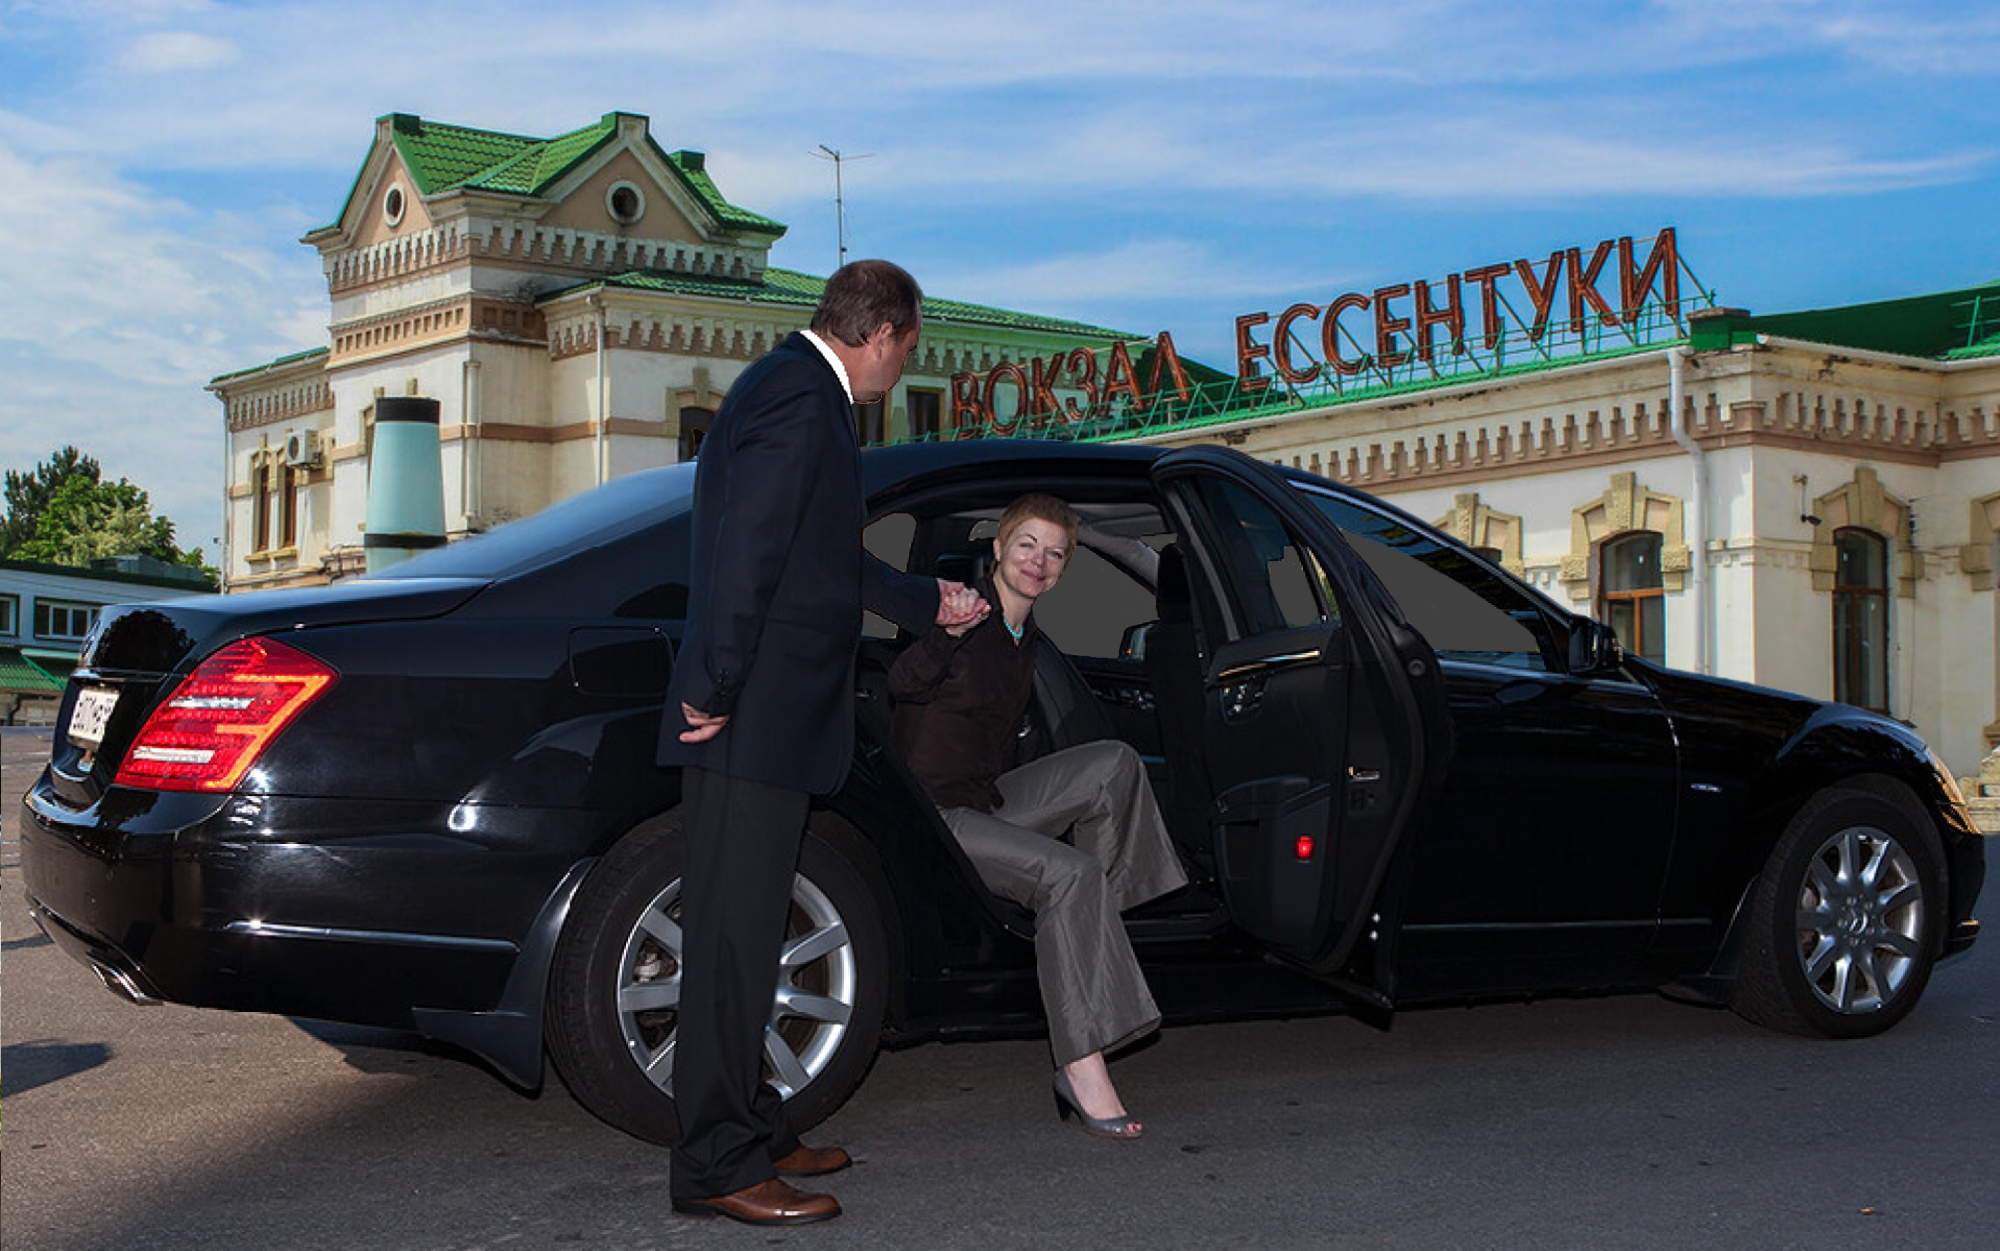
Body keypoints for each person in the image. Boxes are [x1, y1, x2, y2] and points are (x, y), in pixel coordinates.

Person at [660, 259, 983, 1226]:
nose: (900, 371)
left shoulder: (788, 389)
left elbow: (821, 557)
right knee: (728, 943)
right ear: (882, 334)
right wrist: (716, 688)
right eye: (907, 351)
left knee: (753, 935)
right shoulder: (804, 401)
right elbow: (748, 555)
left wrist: (930, 601)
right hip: (750, 716)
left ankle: (752, 1124)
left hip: (762, 715)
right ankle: (716, 1163)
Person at [890, 493, 1187, 1138]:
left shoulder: (1026, 634)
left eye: (1054, 553)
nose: (1038, 560)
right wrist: (945, 631)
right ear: (998, 549)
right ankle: (1082, 1064)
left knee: (1113, 762)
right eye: (1026, 545)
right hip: (934, 815)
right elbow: (904, 683)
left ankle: (1087, 932)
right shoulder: (964, 611)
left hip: (986, 798)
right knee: (1072, 875)